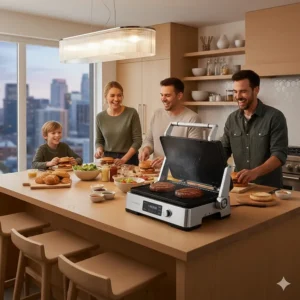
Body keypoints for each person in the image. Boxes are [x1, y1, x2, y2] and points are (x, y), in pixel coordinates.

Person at [221, 70, 288, 188]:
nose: (238, 96)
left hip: (268, 188)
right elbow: (224, 150)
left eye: (243, 91)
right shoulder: (232, 119)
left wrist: (255, 172)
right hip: (239, 187)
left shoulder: (275, 117)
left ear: (256, 90)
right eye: (235, 92)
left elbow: (279, 155)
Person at [139, 77, 202, 168]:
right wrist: (146, 149)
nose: (163, 99)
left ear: (179, 96)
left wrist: (168, 159)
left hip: (179, 173)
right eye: (162, 95)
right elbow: (149, 140)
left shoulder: (192, 119)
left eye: (167, 95)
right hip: (155, 172)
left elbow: (194, 153)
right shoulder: (156, 114)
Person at [94, 81, 142, 166]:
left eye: (119, 95)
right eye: (112, 95)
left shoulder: (131, 113)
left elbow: (137, 141)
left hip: (129, 159)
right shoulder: (100, 117)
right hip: (107, 160)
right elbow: (99, 140)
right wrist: (99, 150)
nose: (116, 99)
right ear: (106, 97)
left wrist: (124, 159)